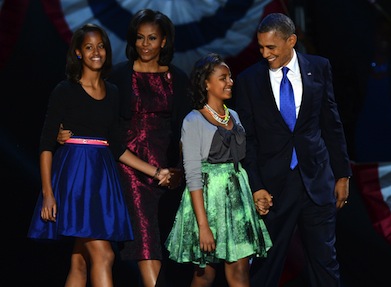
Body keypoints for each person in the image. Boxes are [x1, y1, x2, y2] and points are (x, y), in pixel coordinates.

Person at [27, 23, 172, 287]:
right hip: (74, 179)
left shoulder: (113, 92)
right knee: (104, 254)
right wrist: (48, 193)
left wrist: (155, 171)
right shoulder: (65, 90)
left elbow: (116, 146)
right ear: (79, 53)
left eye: (101, 46)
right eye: (89, 47)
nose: (97, 52)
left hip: (102, 181)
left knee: (80, 261)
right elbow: (46, 144)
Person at [57, 9, 191, 287]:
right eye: (140, 38)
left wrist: (177, 169)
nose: (145, 44)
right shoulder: (119, 76)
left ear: (164, 41)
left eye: (152, 38)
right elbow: (95, 114)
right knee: (145, 239)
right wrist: (64, 132)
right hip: (125, 169)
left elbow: (185, 129)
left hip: (166, 175)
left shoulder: (178, 79)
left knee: (81, 256)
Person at [232, 12, 353, 287]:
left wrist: (342, 175)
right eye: (261, 47)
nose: (265, 54)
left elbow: (331, 123)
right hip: (273, 188)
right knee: (266, 265)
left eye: (271, 47)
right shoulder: (249, 80)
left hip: (316, 180)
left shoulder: (319, 68)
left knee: (326, 263)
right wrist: (256, 186)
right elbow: (247, 139)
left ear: (291, 41)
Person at [165, 53, 272, 287]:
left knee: (240, 271)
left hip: (237, 204)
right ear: (206, 83)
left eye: (230, 77)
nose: (230, 82)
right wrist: (203, 227)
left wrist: (254, 193)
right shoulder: (193, 121)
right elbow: (192, 175)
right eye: (223, 78)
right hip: (209, 204)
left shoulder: (233, 115)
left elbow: (243, 161)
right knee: (205, 274)